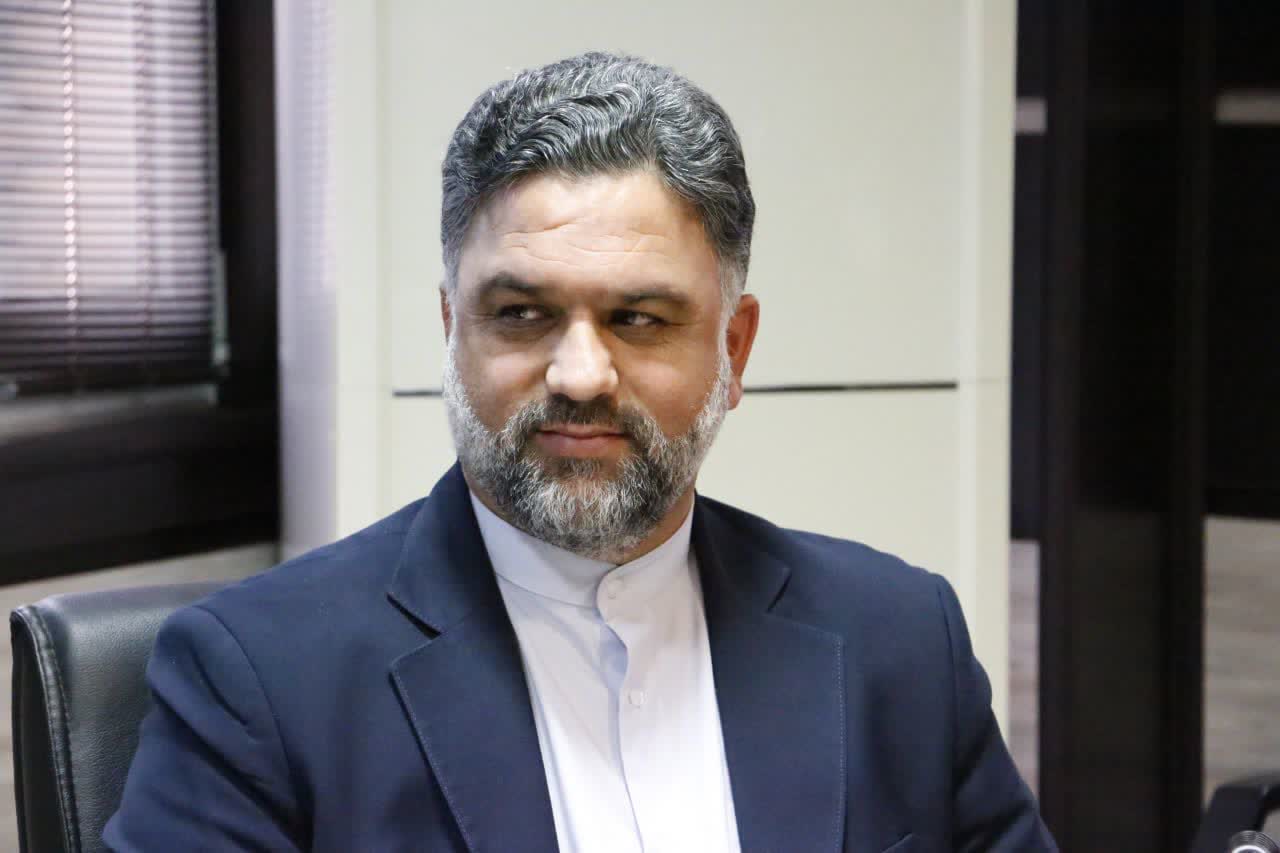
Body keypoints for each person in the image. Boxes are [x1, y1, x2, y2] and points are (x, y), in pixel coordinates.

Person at [105, 51, 1056, 852]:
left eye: (640, 318)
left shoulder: (900, 640)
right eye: (522, 313)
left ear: (733, 349)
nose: (581, 374)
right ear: (452, 329)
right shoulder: (259, 679)